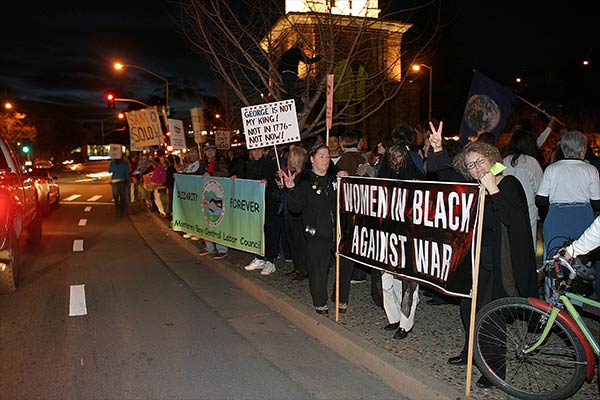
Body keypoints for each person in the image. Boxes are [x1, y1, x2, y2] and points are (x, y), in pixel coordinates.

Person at [427, 122, 538, 388]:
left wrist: (494, 190)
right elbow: (442, 176)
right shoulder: (474, 187)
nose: (477, 168)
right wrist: (439, 149)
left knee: (490, 316)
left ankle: (493, 370)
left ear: (493, 159)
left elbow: (514, 221)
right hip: (475, 260)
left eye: (480, 162)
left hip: (499, 263)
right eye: (471, 165)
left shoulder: (509, 184)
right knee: (468, 309)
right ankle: (470, 353)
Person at [282, 144, 351, 314]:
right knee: (318, 269)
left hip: (339, 231)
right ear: (311, 159)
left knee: (346, 265)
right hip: (317, 233)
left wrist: (347, 180)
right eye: (321, 156)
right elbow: (295, 208)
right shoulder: (304, 181)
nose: (325, 160)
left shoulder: (336, 178)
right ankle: (320, 302)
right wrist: (291, 189)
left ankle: (341, 298)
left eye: (327, 156)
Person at [536, 130, 600, 299]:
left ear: (562, 149)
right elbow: (597, 202)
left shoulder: (552, 169)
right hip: (582, 217)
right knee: (579, 264)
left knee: (554, 259)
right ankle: (575, 305)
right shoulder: (591, 170)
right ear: (583, 149)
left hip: (557, 216)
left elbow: (541, 200)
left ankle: (552, 303)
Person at [378, 144, 424, 339]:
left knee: (408, 283)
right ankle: (394, 318)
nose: (395, 164)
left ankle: (406, 324)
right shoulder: (384, 178)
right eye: (392, 159)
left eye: (399, 159)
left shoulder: (417, 181)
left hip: (409, 237)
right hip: (387, 236)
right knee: (387, 280)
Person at [502, 124, 544, 249]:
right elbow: (540, 188)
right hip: (528, 209)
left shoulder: (503, 161)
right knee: (527, 244)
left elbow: (492, 179)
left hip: (506, 208)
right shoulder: (532, 162)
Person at [243, 147, 279, 276]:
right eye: (254, 150)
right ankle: (259, 257)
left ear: (264, 151)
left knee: (267, 230)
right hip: (254, 203)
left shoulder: (269, 163)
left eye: (260, 150)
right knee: (256, 229)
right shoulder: (248, 164)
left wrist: (268, 182)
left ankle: (270, 260)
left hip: (267, 202)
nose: (257, 152)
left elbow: (275, 183)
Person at [280, 145, 309, 281]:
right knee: (292, 241)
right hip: (289, 212)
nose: (288, 160)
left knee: (300, 241)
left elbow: (301, 195)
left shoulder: (305, 176)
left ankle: (303, 269)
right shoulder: (293, 174)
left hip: (300, 215)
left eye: (291, 157)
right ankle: (297, 267)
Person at [198, 141, 230, 259]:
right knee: (207, 221)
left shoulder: (220, 162)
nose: (210, 152)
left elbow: (225, 173)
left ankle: (222, 249)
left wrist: (211, 173)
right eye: (207, 150)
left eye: (212, 150)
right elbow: (197, 174)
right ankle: (209, 247)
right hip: (205, 194)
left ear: (215, 152)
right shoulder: (203, 163)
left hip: (217, 195)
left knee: (217, 221)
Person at [278, 41, 321, 111]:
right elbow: (307, 61)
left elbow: (280, 64)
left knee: (290, 94)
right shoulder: (297, 52)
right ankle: (297, 111)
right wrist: (318, 58)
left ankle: (290, 111)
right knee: (295, 94)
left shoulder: (287, 53)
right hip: (291, 74)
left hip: (284, 75)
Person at [108, 152, 130, 217]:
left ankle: (117, 209)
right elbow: (127, 173)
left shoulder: (113, 162)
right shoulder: (124, 163)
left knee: (116, 196)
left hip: (114, 181)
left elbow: (109, 170)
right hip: (122, 181)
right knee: (122, 196)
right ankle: (122, 210)